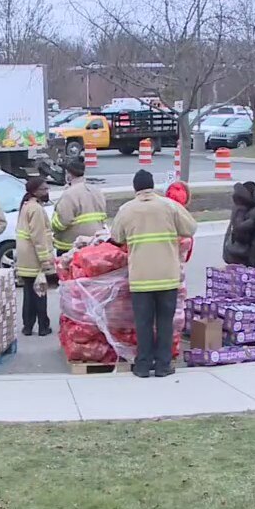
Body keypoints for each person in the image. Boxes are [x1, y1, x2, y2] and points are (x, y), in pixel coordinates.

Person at [110, 169, 198, 378]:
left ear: (135, 188)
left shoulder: (126, 210)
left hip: (141, 278)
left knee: (143, 323)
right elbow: (191, 228)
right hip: (167, 276)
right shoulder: (170, 206)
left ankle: (142, 366)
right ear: (152, 186)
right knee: (165, 323)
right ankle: (163, 365)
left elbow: (117, 237)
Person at [15, 177, 55, 336]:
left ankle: (28, 326)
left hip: (25, 257)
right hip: (34, 258)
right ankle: (43, 327)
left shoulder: (26, 206)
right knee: (40, 292)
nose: (47, 192)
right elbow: (39, 237)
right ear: (35, 191)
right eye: (44, 189)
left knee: (28, 293)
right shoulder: (36, 209)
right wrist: (45, 259)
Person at [51, 160, 107, 255]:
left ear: (68, 175)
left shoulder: (68, 195)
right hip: (94, 243)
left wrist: (52, 225)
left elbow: (61, 223)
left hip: (70, 246)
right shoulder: (96, 191)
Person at [222, 182, 255, 266]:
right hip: (236, 253)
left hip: (234, 251)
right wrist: (253, 220)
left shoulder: (240, 204)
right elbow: (238, 228)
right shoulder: (241, 208)